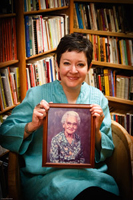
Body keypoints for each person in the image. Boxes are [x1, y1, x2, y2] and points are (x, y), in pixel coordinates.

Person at [0, 33, 120, 200]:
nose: (73, 70)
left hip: (91, 176)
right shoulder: (36, 95)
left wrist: (96, 132)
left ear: (89, 67)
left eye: (80, 64)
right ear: (56, 65)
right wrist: (31, 126)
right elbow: (4, 134)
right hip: (47, 179)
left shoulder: (97, 98)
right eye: (66, 63)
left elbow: (108, 150)